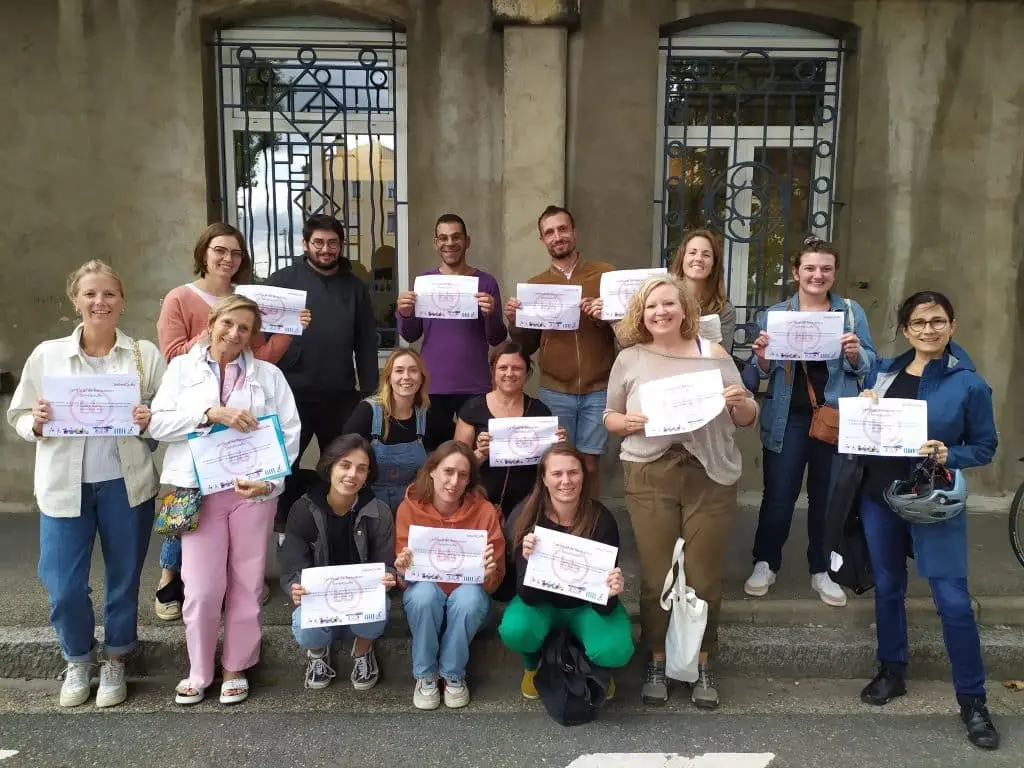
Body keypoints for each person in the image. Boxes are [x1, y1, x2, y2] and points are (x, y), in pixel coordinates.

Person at [7, 260, 166, 708]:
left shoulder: (144, 355)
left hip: (125, 484)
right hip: (64, 485)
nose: (100, 302)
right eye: (91, 294)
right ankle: (77, 658)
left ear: (122, 301)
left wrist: (148, 419)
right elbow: (18, 415)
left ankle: (116, 659)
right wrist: (35, 424)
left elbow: (169, 417)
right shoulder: (47, 355)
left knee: (123, 578)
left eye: (109, 294)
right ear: (75, 299)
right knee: (62, 583)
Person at [603, 274, 758, 708]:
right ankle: (658, 657)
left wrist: (741, 402)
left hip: (710, 472)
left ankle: (702, 660)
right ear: (642, 313)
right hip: (650, 471)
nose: (661, 312)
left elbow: (745, 415)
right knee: (658, 575)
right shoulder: (629, 358)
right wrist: (625, 423)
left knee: (704, 573)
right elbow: (609, 416)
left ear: (685, 310)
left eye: (669, 304)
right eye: (652, 306)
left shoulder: (714, 353)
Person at [855, 291, 999, 750]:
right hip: (880, 495)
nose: (928, 329)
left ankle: (973, 700)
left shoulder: (970, 385)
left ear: (952, 326)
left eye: (937, 321)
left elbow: (984, 446)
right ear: (904, 330)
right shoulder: (884, 373)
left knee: (952, 599)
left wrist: (948, 452)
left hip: (931, 499)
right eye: (918, 322)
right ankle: (892, 669)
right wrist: (866, 409)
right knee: (888, 584)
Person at [152, 222, 310, 621]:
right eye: (219, 250)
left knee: (232, 511)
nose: (227, 259)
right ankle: (170, 577)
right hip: (196, 407)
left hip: (240, 423)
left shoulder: (246, 300)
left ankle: (236, 591)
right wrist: (216, 331)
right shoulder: (180, 297)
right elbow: (172, 352)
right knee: (188, 506)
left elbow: (261, 356)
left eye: (235, 253)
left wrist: (288, 329)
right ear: (204, 252)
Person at [149, 295, 300, 706]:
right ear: (212, 322)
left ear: (253, 337)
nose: (234, 334)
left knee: (246, 583)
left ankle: (236, 666)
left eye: (245, 329)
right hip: (199, 492)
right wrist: (209, 414)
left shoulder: (268, 375)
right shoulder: (181, 369)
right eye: (228, 323)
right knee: (200, 586)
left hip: (251, 494)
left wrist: (268, 483)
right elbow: (158, 423)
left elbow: (289, 432)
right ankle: (199, 670)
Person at [744, 235, 875, 607]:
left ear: (834, 273)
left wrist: (855, 353)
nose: (818, 275)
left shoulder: (850, 312)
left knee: (828, 498)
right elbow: (759, 372)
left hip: (833, 419)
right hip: (787, 418)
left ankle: (822, 569)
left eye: (826, 269)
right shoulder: (774, 314)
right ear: (796, 272)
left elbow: (870, 366)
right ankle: (765, 562)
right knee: (779, 496)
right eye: (810, 268)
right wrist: (764, 357)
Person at [265, 214, 379, 532]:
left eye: (332, 243)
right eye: (318, 242)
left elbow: (366, 343)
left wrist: (370, 393)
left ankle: (337, 528)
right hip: (290, 393)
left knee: (342, 466)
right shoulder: (281, 281)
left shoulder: (355, 287)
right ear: (305, 244)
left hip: (340, 395)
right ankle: (285, 530)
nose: (325, 249)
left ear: (341, 245)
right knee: (283, 465)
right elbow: (260, 337)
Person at [498, 444, 633, 700]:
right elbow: (527, 597)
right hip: (542, 603)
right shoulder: (526, 516)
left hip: (586, 606)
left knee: (615, 648)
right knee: (517, 629)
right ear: (544, 478)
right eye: (557, 474)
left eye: (573, 473)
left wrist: (613, 590)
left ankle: (599, 669)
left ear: (584, 475)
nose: (566, 481)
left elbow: (604, 605)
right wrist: (528, 561)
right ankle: (532, 666)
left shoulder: (601, 520)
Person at [504, 205, 617, 500]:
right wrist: (514, 322)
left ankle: (588, 530)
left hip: (599, 388)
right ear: (543, 241)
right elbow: (527, 345)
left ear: (574, 232)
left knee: (590, 466)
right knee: (559, 466)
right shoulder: (535, 286)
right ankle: (560, 529)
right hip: (555, 390)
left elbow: (627, 327)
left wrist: (606, 316)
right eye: (549, 232)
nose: (558, 237)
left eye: (562, 229)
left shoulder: (604, 274)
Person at [280, 434, 396, 692]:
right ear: (330, 466)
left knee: (381, 605)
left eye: (361, 469)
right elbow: (292, 565)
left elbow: (387, 563)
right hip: (319, 597)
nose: (352, 474)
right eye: (345, 465)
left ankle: (363, 650)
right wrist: (295, 587)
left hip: (361, 596)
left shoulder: (379, 511)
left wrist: (389, 576)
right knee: (302, 624)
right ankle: (318, 654)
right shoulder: (303, 509)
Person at [394, 441, 505, 710]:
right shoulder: (409, 508)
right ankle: (426, 675)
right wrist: (402, 568)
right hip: (425, 588)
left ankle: (453, 673)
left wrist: (491, 572)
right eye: (448, 471)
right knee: (422, 595)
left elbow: (494, 580)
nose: (454, 481)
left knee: (469, 599)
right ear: (432, 471)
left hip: (468, 590)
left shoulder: (485, 511)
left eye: (463, 475)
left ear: (470, 480)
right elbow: (405, 575)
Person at [396, 214, 507, 437]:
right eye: (443, 238)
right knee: (435, 455)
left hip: (475, 384)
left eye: (456, 237)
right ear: (435, 242)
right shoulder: (425, 281)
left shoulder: (486, 282)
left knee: (478, 454)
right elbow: (411, 335)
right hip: (433, 384)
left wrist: (491, 314)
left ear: (467, 241)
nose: (449, 243)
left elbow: (496, 338)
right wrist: (405, 314)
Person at [453, 341, 566, 518]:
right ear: (493, 371)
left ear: (527, 372)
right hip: (479, 501)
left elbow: (550, 464)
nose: (509, 373)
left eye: (517, 368)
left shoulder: (540, 411)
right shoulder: (473, 408)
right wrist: (481, 453)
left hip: (528, 503)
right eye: (503, 367)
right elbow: (456, 465)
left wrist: (558, 445)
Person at [342, 348, 451, 512]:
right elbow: (343, 456)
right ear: (388, 378)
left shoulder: (428, 414)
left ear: (422, 378)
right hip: (368, 503)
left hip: (413, 503)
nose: (406, 376)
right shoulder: (368, 411)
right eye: (399, 371)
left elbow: (452, 451)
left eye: (413, 370)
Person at [668, 229, 736, 353]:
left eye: (706, 255)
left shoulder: (724, 310)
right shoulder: (664, 300)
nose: (698, 259)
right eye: (692, 253)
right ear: (682, 259)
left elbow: (723, 358)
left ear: (714, 264)